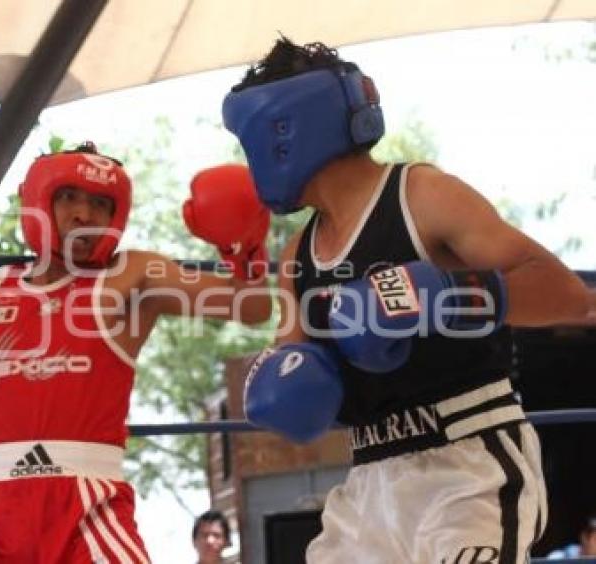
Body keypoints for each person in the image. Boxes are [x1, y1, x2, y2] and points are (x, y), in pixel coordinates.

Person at [229, 38, 591, 563]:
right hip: (369, 482)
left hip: (468, 462)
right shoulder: (296, 257)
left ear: (283, 131)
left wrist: (443, 294)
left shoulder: (421, 196)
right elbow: (299, 374)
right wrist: (283, 384)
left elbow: (568, 295)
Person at [0, 142, 272, 563]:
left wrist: (244, 252)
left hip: (86, 506)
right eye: (69, 198)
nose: (84, 215)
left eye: (100, 204)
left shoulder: (130, 276)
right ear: (37, 200)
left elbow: (252, 306)